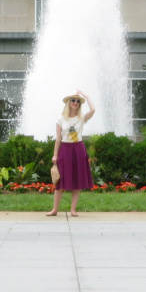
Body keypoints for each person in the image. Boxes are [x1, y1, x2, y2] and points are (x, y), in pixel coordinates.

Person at [46, 89, 95, 217]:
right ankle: (55, 209)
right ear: (68, 102)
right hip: (65, 150)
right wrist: (55, 155)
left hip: (78, 149)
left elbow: (93, 110)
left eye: (78, 101)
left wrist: (86, 95)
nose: (75, 103)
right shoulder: (61, 119)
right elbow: (58, 139)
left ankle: (73, 210)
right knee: (60, 181)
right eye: (73, 100)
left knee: (77, 180)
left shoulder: (82, 118)